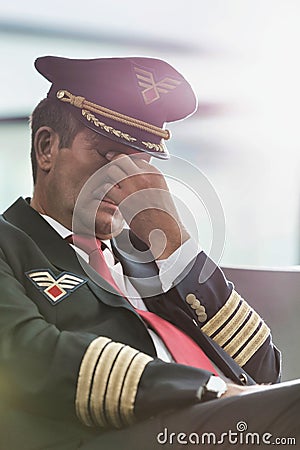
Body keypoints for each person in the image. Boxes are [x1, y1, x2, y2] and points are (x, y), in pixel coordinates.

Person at [0, 55, 299, 450]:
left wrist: (176, 245)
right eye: (108, 156)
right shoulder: (11, 243)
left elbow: (262, 370)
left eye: (139, 162)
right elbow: (25, 354)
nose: (125, 179)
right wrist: (204, 389)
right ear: (46, 148)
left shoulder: (156, 262)